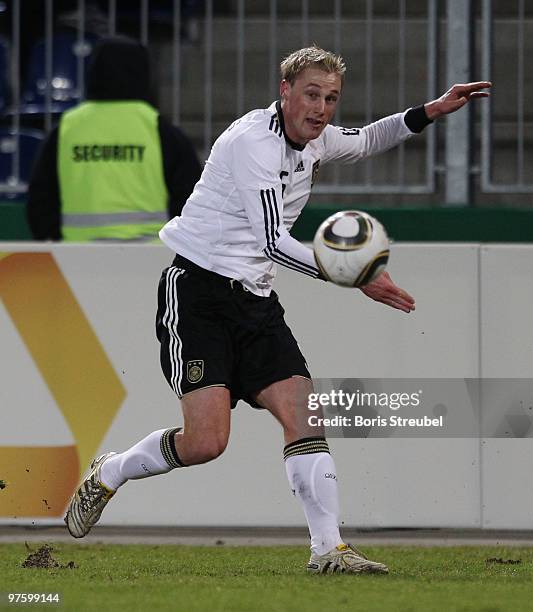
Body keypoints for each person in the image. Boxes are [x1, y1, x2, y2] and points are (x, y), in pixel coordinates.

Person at [64, 46, 491, 573]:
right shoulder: (254, 144)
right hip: (197, 294)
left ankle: (329, 550)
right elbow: (273, 240)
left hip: (255, 300)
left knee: (303, 414)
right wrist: (353, 275)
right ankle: (113, 472)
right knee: (206, 442)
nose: (322, 108)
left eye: (331, 98)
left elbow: (364, 141)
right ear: (285, 91)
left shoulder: (313, 140)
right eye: (312, 94)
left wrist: (430, 110)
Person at [27, 35, 202, 241]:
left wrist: (56, 240)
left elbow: (40, 201)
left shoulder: (67, 128)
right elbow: (192, 201)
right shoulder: (160, 130)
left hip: (76, 260)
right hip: (151, 258)